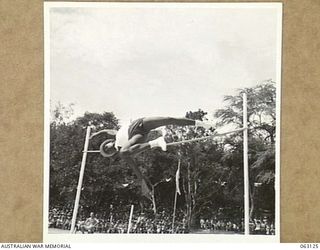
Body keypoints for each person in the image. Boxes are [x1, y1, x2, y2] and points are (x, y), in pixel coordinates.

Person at [90, 117, 214, 198]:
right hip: (136, 135)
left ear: (108, 142)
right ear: (111, 153)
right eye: (107, 151)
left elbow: (106, 130)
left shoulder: (115, 134)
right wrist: (143, 184)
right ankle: (155, 142)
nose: (107, 148)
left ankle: (200, 123)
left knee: (169, 119)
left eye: (105, 146)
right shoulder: (121, 148)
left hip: (139, 123)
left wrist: (97, 133)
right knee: (124, 153)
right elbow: (134, 167)